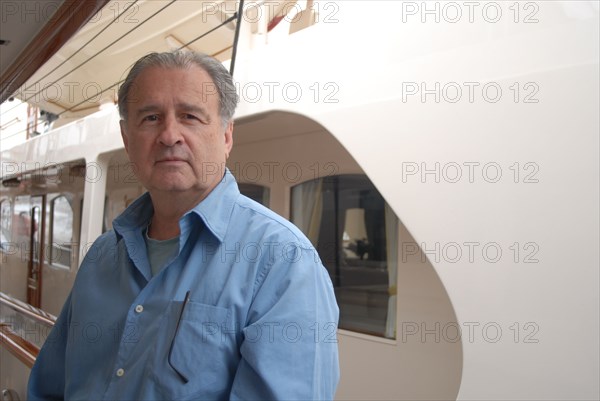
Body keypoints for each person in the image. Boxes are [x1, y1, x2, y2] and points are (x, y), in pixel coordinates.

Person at [28, 51, 340, 400]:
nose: (169, 135)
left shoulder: (283, 263)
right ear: (127, 139)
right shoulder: (102, 257)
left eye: (190, 116)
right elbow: (50, 388)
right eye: (150, 118)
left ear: (226, 137)